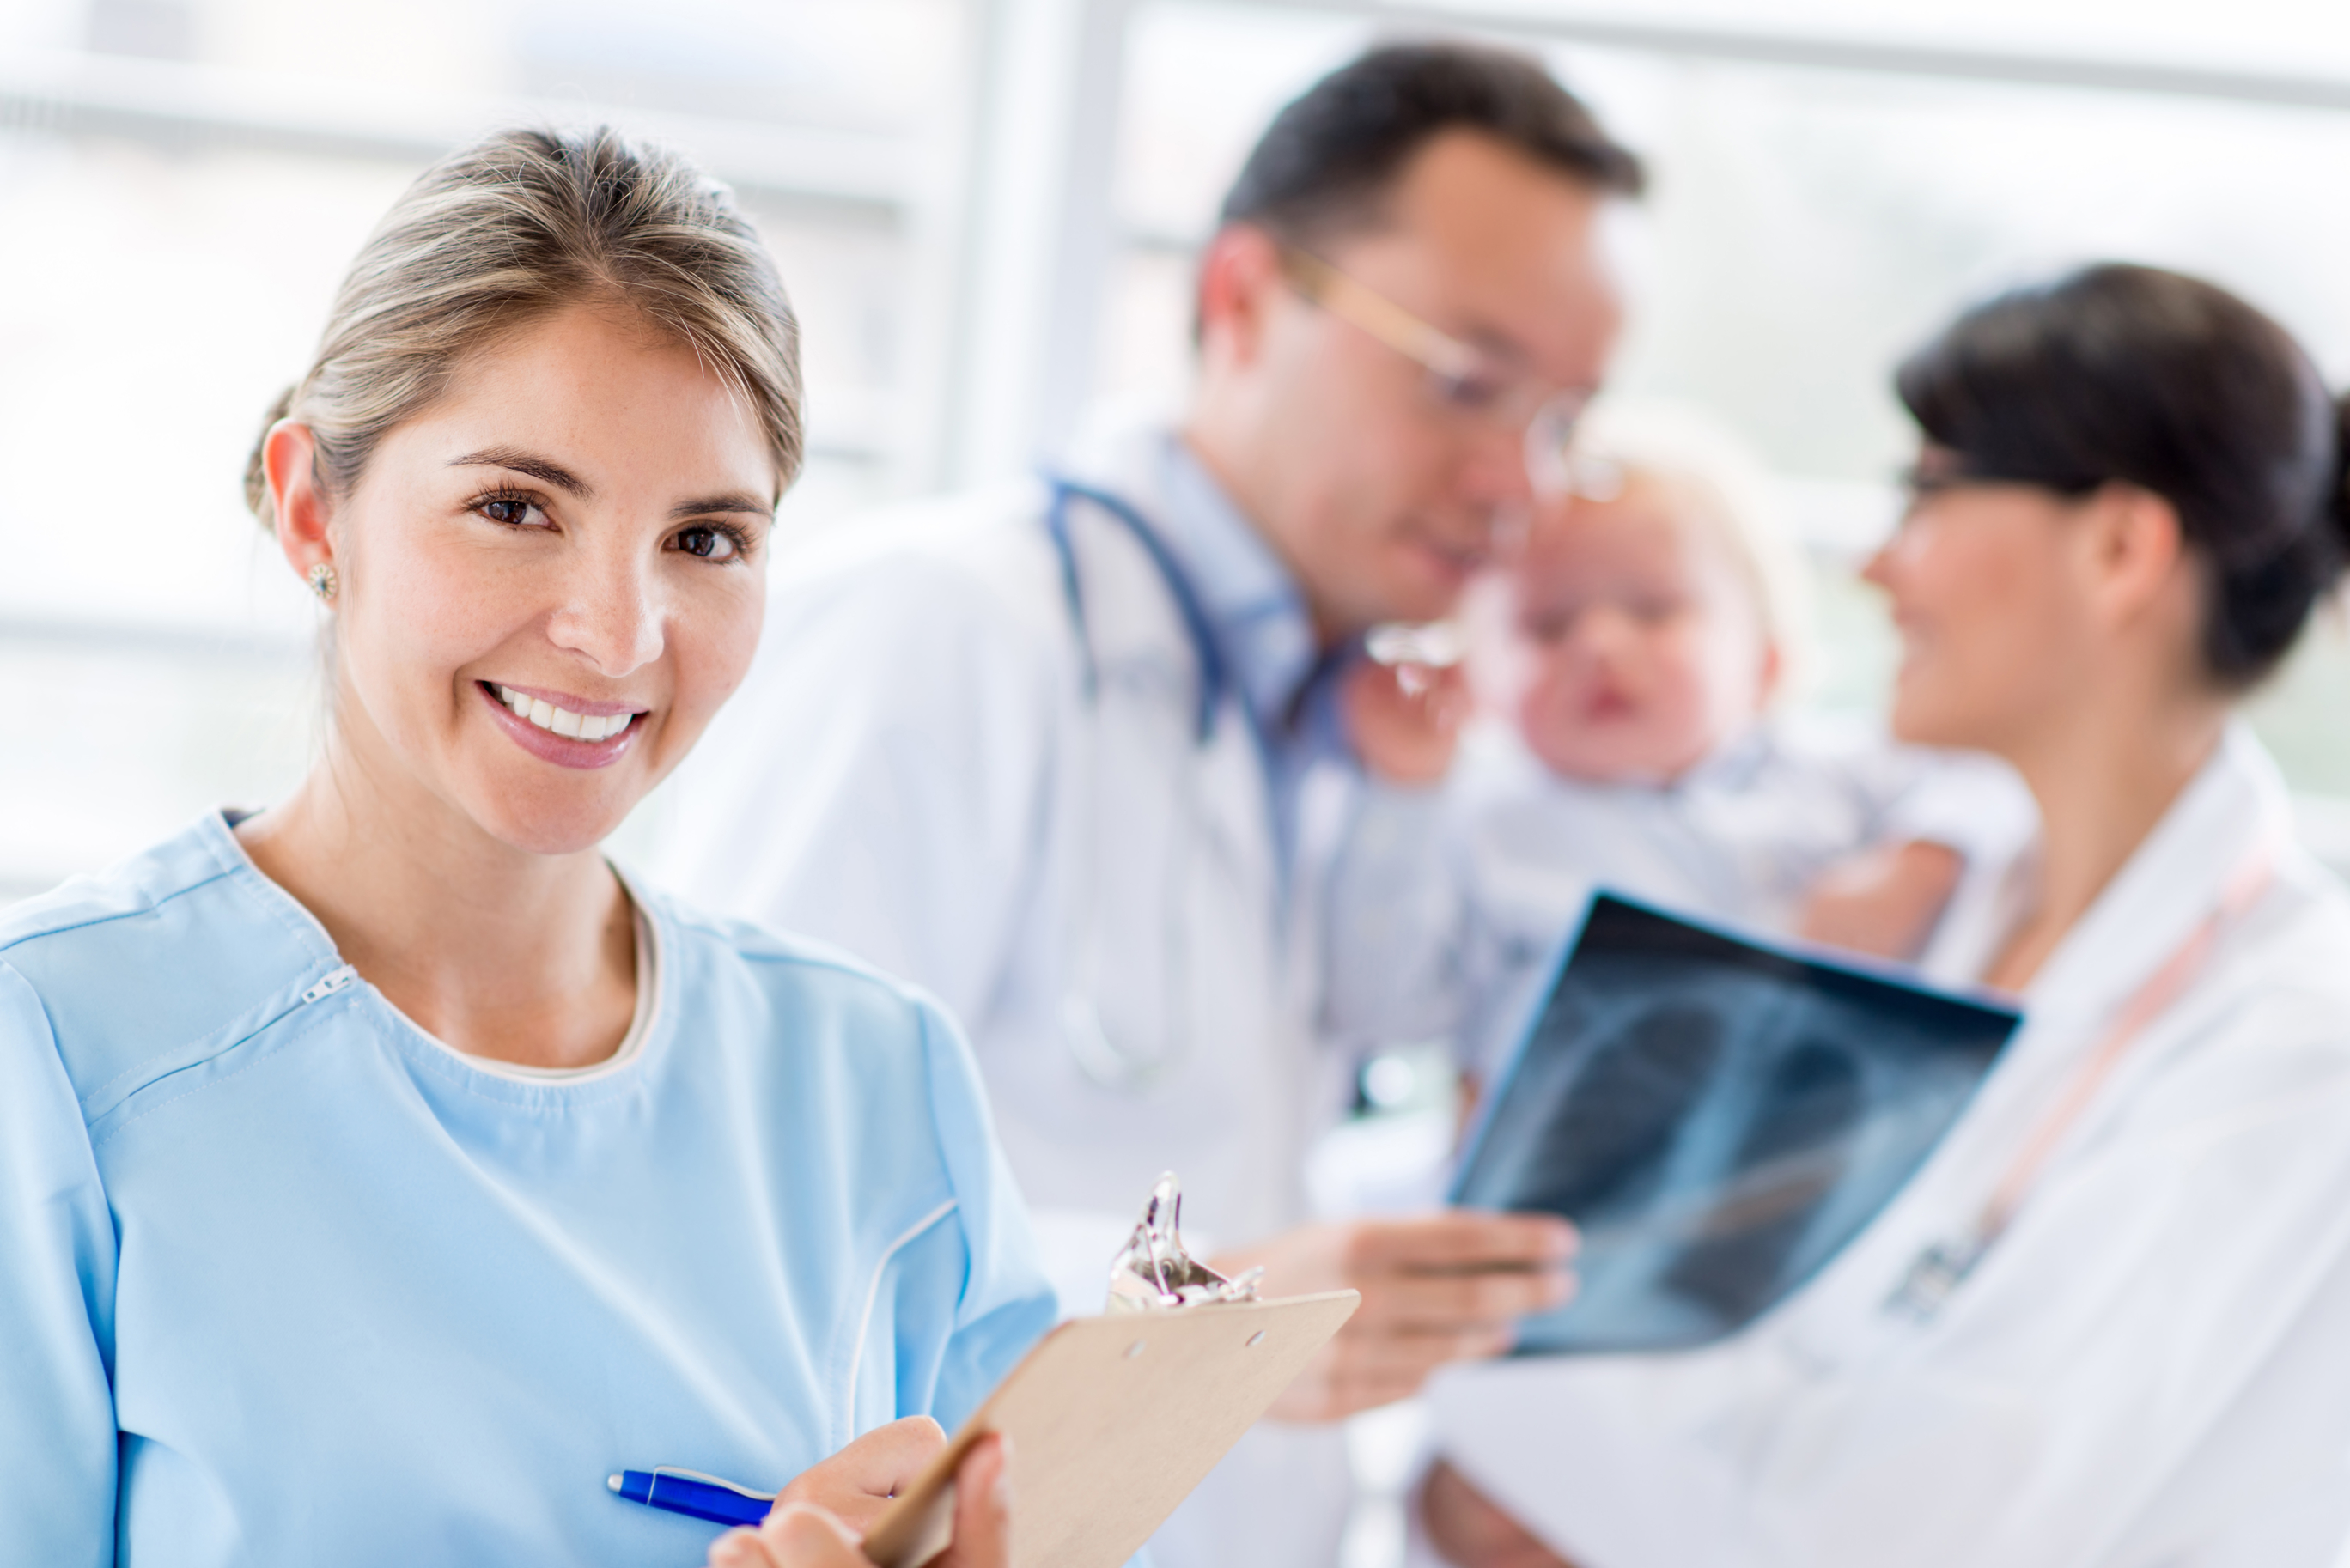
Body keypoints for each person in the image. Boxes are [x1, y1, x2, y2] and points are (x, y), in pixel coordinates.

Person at [0, 126, 1050, 1568]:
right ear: (317, 507)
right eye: (514, 509)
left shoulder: (880, 1082)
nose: (618, 635)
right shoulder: (54, 1056)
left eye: (708, 540)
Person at [656, 42, 1636, 1568]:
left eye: (1564, 418)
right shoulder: (946, 630)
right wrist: (1212, 1318)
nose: (1520, 481)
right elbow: (730, 1198)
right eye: (1465, 381)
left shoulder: (1349, 731)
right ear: (1243, 299)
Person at [1415, 264, 2350, 1568]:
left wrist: (1475, 1373)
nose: (1873, 563)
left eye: (1928, 491)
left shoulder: (2299, 1052)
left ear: (2120, 547)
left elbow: (1919, 1528)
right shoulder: (1926, 911)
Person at [1326, 401, 2033, 1085]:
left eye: (1652, 609)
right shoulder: (1483, 822)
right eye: (1548, 625)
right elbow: (1379, 1011)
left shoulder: (1828, 775)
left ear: (1766, 657)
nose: (1599, 646)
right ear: (1480, 677)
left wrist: (1919, 866)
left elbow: (2000, 785)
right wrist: (1403, 794)